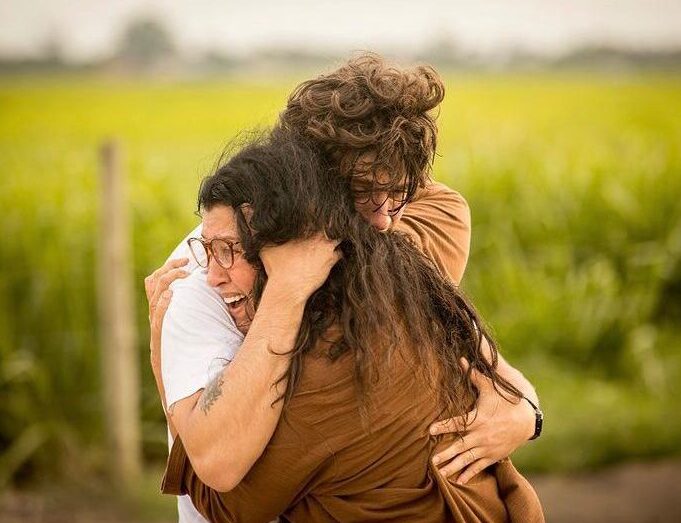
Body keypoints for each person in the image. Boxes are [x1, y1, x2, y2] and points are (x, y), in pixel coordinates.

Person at [144, 54, 541, 522]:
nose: (385, 219)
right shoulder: (203, 282)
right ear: (308, 185)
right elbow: (218, 465)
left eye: (399, 194)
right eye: (366, 195)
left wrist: (521, 400)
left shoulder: (380, 271)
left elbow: (224, 497)